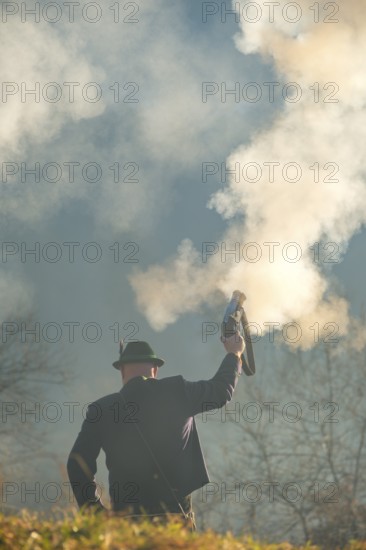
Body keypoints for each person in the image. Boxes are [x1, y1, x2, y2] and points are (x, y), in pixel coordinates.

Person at [67, 333, 245, 529]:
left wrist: (95, 512)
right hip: (176, 523)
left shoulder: (101, 409)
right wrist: (234, 354)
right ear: (155, 369)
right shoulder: (178, 391)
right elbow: (221, 391)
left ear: (122, 371)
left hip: (127, 526)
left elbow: (77, 464)